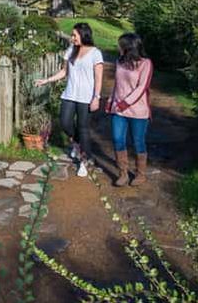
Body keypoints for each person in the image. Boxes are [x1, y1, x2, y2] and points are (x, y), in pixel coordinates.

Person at [36, 23, 103, 177]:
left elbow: (99, 77)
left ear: (83, 35)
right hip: (70, 94)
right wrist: (46, 80)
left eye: (74, 35)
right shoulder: (71, 50)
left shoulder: (95, 53)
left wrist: (96, 97)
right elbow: (64, 71)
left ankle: (84, 162)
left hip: (86, 98)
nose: (72, 38)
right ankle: (77, 144)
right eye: (72, 35)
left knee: (83, 129)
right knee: (65, 123)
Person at [106, 33, 153, 186]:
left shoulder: (146, 64)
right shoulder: (119, 62)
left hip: (138, 112)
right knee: (117, 139)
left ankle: (140, 174)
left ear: (129, 47)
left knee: (138, 142)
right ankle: (123, 173)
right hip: (118, 110)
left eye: (120, 45)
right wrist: (110, 100)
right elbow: (117, 84)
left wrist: (125, 103)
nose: (118, 47)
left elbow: (142, 88)